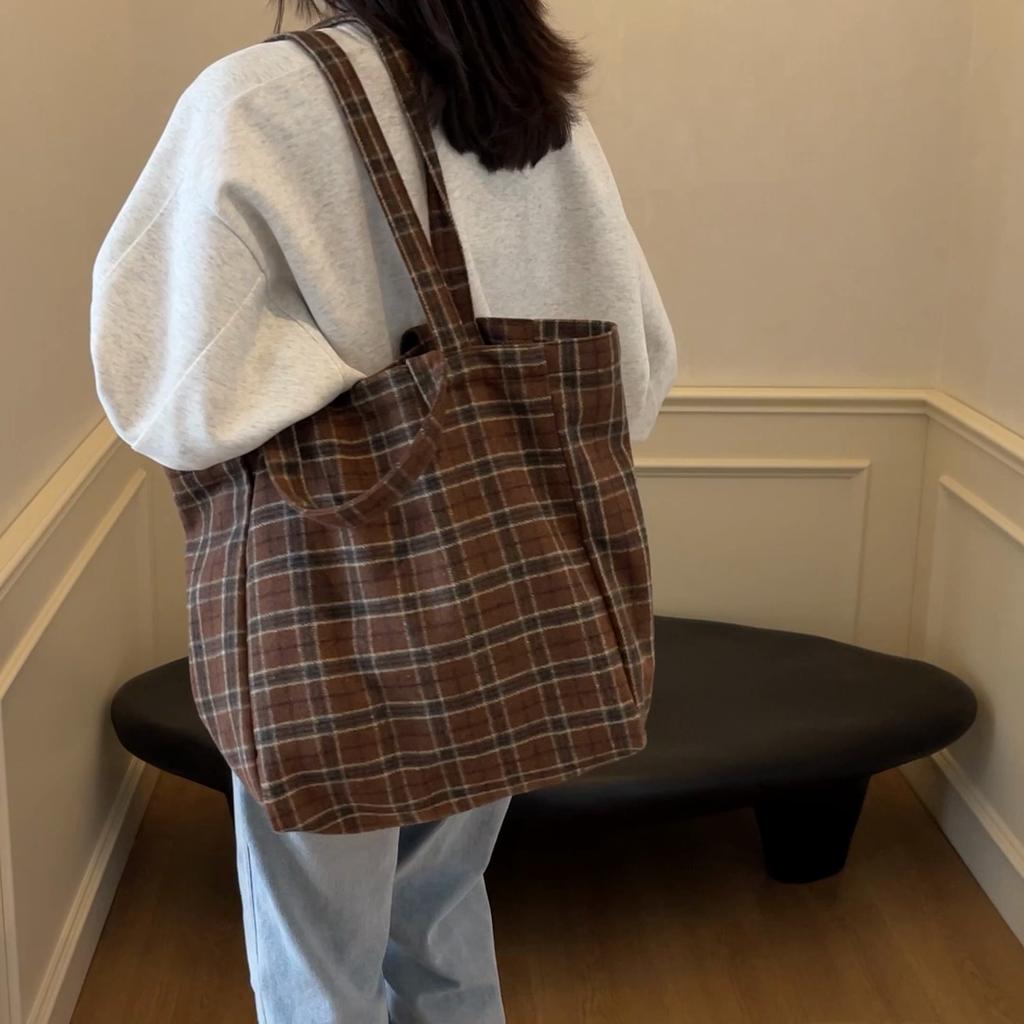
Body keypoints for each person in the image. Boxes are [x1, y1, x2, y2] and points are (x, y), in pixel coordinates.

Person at [89, 2, 677, 1021]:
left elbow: (167, 384)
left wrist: (345, 383)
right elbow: (638, 367)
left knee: (318, 960)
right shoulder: (531, 108)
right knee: (441, 913)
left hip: (327, 615)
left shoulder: (254, 101)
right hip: (507, 599)